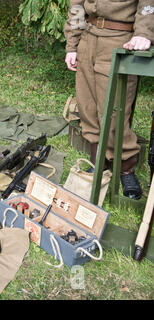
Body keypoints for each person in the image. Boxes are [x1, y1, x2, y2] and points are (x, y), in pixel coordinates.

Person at [64, 0, 153, 199]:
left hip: (119, 39)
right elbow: (77, 4)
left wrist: (144, 34)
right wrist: (72, 45)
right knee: (87, 106)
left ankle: (125, 168)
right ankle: (98, 163)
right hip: (88, 37)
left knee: (115, 111)